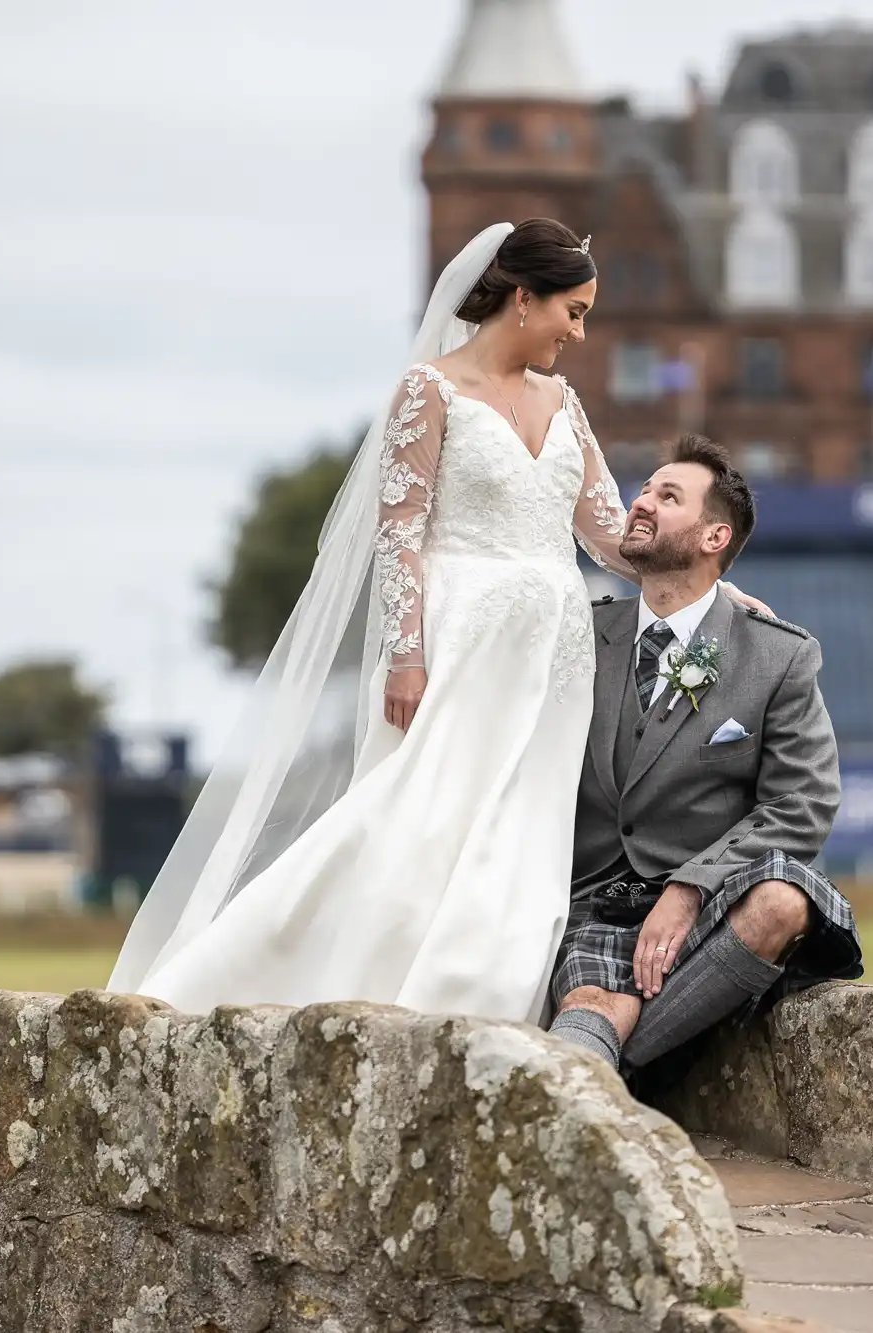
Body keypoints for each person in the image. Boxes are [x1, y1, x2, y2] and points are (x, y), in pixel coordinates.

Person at [110, 220, 766, 1020]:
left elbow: (605, 535)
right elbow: (400, 531)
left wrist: (712, 594)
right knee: (415, 820)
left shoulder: (565, 401)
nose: (581, 332)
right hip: (461, 641)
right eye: (574, 310)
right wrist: (407, 654)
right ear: (525, 298)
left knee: (521, 835)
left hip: (552, 657)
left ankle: (481, 1005)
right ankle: (257, 978)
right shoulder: (431, 389)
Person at [545, 438, 862, 1072]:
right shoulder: (580, 635)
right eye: (644, 490)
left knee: (784, 900)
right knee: (592, 1001)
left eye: (668, 497)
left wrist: (691, 887)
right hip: (598, 897)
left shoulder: (778, 655)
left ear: (714, 537)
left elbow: (804, 802)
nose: (641, 503)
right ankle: (619, 1062)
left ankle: (606, 1059)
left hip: (715, 899)